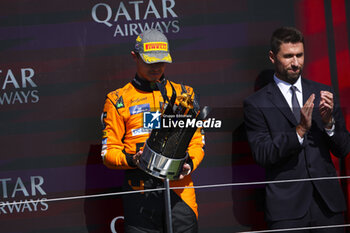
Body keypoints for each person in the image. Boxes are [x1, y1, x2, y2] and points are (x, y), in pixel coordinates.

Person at [244, 26, 350, 232]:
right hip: (287, 210)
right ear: (272, 57)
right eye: (289, 56)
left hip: (328, 207)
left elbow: (344, 148)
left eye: (300, 55)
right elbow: (263, 154)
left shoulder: (324, 93)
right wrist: (300, 130)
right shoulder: (255, 104)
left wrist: (329, 124)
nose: (296, 63)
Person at [101, 29, 204, 233]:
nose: (156, 67)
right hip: (139, 192)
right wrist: (133, 160)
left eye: (161, 61)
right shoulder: (117, 100)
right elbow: (108, 153)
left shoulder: (185, 94)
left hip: (180, 193)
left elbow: (197, 143)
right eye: (150, 61)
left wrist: (189, 164)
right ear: (135, 57)